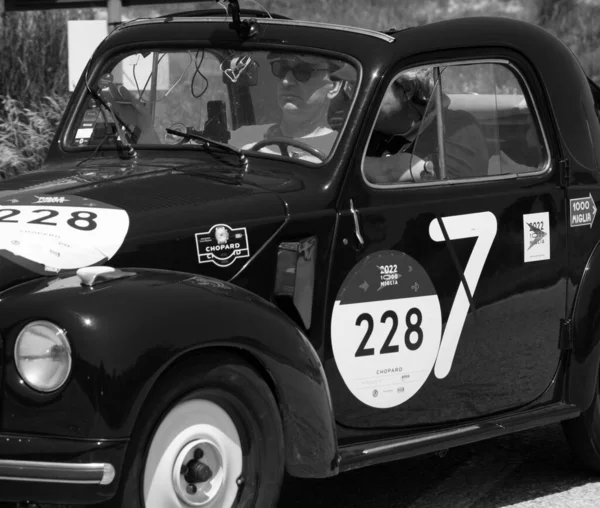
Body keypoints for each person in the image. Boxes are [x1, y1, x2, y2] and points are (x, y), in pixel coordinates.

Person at [363, 67, 490, 184]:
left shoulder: (459, 129)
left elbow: (450, 194)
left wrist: (389, 167)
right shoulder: (371, 128)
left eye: (369, 85)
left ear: (408, 89)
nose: (361, 96)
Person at [238, 53, 351, 161]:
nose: (286, 81)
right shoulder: (241, 137)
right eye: (282, 69)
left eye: (303, 71)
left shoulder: (344, 151)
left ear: (334, 86)